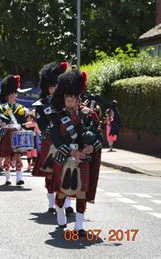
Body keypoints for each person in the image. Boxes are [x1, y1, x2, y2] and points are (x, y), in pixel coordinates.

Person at [49, 70, 102, 236]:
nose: (70, 102)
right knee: (62, 191)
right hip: (64, 157)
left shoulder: (89, 115)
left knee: (81, 191)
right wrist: (72, 151)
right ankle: (59, 210)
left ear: (79, 98)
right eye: (67, 99)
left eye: (73, 99)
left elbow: (98, 136)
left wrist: (92, 147)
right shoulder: (57, 115)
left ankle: (79, 226)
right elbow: (56, 139)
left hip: (83, 158)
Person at [31, 61, 74, 215]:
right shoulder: (41, 104)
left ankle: (67, 203)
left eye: (55, 85)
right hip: (50, 142)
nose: (53, 89)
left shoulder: (67, 103)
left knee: (67, 172)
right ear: (46, 87)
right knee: (50, 175)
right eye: (50, 86)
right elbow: (42, 125)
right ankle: (51, 202)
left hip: (66, 141)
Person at [0, 75, 27, 186]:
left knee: (18, 156)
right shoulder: (1, 108)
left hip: (17, 133)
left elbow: (23, 122)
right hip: (7, 133)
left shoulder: (21, 108)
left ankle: (19, 178)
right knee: (7, 156)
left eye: (14, 94)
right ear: (7, 95)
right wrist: (0, 124)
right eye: (11, 94)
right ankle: (7, 178)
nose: (13, 96)